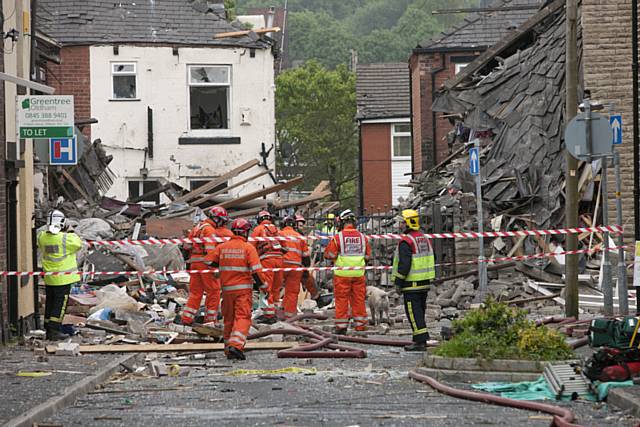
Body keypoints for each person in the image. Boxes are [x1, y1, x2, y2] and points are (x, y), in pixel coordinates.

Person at [206, 218, 268, 360]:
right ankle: (236, 345)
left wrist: (222, 266)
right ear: (246, 232)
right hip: (243, 291)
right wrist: (264, 287)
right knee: (242, 317)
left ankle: (228, 348)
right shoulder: (248, 248)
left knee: (229, 319)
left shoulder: (223, 247)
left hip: (227, 290)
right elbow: (256, 271)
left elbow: (209, 261)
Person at [391, 209, 436, 352]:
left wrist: (398, 282)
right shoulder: (423, 238)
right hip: (424, 282)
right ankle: (419, 338)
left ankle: (420, 341)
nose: (400, 225)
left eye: (402, 222)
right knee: (420, 311)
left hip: (411, 283)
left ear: (409, 223)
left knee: (413, 312)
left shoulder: (406, 241)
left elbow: (405, 264)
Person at [181, 206, 233, 325]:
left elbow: (186, 246)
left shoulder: (197, 227)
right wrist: (214, 267)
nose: (222, 224)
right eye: (222, 221)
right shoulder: (209, 230)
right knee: (214, 291)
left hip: (194, 263)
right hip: (205, 264)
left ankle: (186, 318)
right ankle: (210, 320)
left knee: (195, 292)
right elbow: (211, 250)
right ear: (217, 219)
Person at [37, 210, 83, 341]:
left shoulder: (42, 237)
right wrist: (70, 229)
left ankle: (48, 326)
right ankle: (54, 330)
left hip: (50, 277)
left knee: (51, 302)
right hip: (63, 278)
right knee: (60, 305)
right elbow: (78, 243)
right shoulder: (66, 238)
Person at [324, 209, 370, 334]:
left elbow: (330, 254)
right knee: (359, 299)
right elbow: (367, 257)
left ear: (342, 222)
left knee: (341, 299)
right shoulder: (363, 237)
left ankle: (341, 327)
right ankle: (360, 326)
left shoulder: (338, 237)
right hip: (358, 273)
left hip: (342, 274)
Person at [251, 210, 285, 324]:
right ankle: (274, 311)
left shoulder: (258, 229)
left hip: (267, 260)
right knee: (276, 287)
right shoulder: (277, 230)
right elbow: (285, 246)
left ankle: (268, 314)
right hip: (279, 260)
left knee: (266, 288)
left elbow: (251, 246)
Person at [280, 215, 311, 319]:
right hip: (295, 267)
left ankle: (273, 313)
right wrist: (306, 269)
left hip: (280, 265)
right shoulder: (299, 237)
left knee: (274, 289)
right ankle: (289, 316)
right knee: (292, 291)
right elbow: (306, 257)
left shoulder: (279, 235)